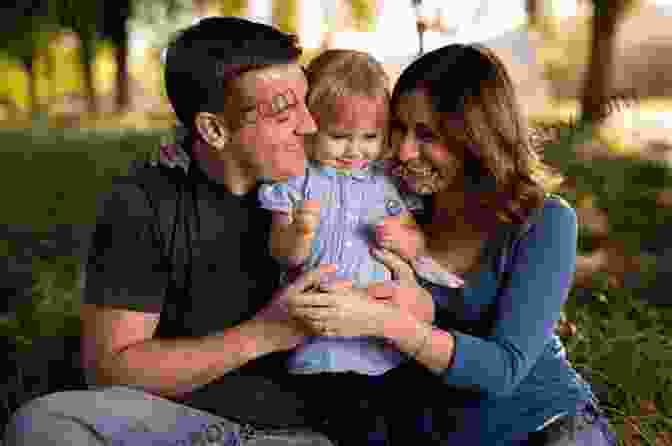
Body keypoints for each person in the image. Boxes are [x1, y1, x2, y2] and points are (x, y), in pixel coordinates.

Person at [2, 17, 434, 446]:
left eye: (308, 104)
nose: (310, 126)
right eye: (286, 113)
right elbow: (109, 368)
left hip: (299, 432)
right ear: (212, 129)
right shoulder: (146, 201)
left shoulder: (355, 182)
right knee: (43, 425)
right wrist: (264, 334)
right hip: (174, 419)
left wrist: (414, 299)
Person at [285, 44, 618, 445]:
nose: (406, 151)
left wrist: (383, 321)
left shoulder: (542, 221)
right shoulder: (394, 204)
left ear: (478, 138)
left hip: (545, 427)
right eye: (399, 129)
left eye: (428, 135)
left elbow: (503, 369)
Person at [259, 48, 463, 377]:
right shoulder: (296, 178)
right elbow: (282, 254)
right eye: (339, 137)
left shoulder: (386, 180)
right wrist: (301, 234)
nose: (355, 150)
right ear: (310, 125)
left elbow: (417, 244)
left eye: (369, 137)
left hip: (383, 331)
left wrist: (405, 240)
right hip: (317, 330)